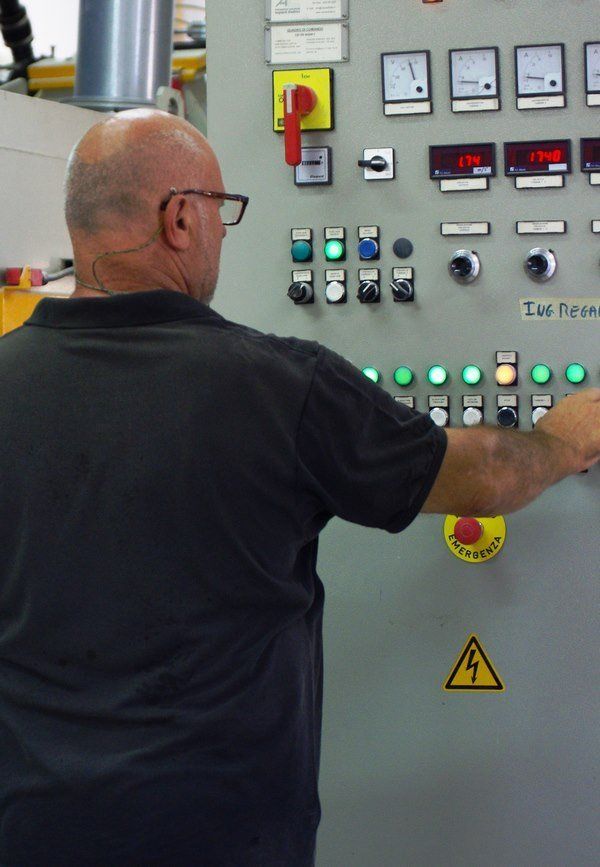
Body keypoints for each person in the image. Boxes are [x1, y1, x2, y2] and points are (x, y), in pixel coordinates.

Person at [0, 109, 598, 867]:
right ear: (179, 218)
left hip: (32, 825)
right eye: (221, 210)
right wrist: (562, 440)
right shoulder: (278, 385)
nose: (222, 233)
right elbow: (477, 475)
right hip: (217, 833)